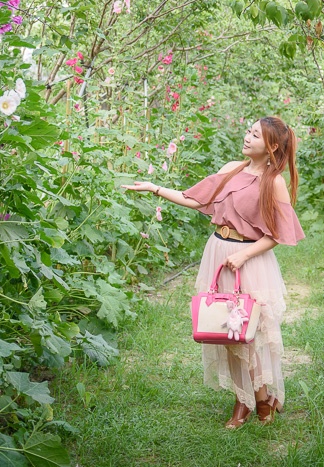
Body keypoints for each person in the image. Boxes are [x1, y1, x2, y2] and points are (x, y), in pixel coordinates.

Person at [121, 116, 305, 429]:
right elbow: (194, 199)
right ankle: (251, 399)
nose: (247, 137)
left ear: (272, 145)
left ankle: (257, 399)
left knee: (251, 332)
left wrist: (244, 254)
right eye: (248, 130)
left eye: (255, 135)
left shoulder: (273, 182)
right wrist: (155, 188)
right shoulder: (231, 169)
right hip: (218, 252)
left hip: (249, 260)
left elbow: (278, 234)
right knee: (226, 330)